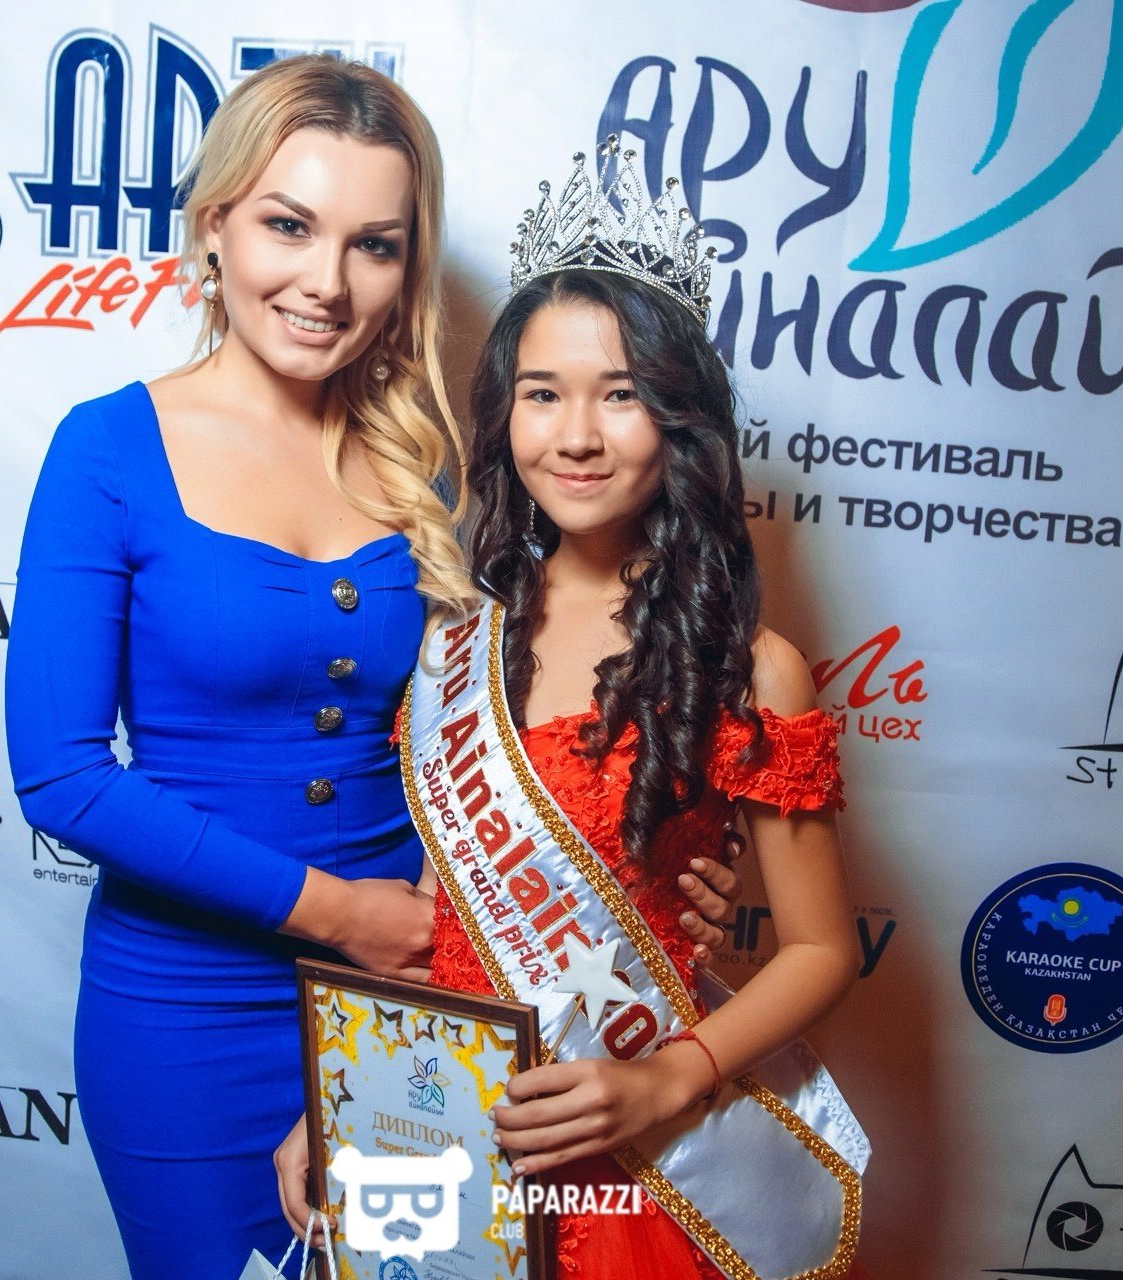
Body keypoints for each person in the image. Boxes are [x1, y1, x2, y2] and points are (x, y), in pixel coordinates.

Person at [3, 63, 740, 1278]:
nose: (327, 281)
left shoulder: (436, 464)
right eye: (289, 225)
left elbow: (547, 704)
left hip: (425, 1001)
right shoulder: (107, 450)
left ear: (410, 265)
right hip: (189, 1013)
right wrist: (345, 917)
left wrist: (676, 861)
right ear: (214, 227)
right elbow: (62, 776)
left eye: (375, 244)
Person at [276, 143, 865, 1278]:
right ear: (505, 413)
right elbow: (442, 912)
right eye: (542, 394)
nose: (577, 435)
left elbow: (820, 949)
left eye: (622, 395)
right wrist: (339, 1090)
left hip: (632, 1137)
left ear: (681, 418)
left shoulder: (748, 666)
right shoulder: (457, 643)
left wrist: (668, 1075)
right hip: (448, 1128)